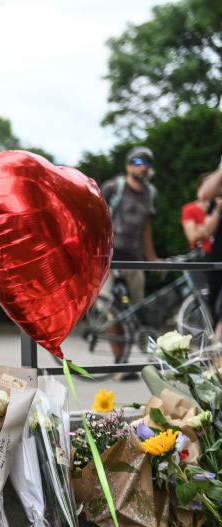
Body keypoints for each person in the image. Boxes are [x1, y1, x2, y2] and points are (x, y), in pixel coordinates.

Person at [100, 146, 159, 367]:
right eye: (137, 162)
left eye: (147, 163)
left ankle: (144, 354)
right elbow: (98, 219)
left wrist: (152, 259)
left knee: (137, 307)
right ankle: (119, 360)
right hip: (109, 258)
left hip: (134, 257)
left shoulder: (151, 194)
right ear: (127, 165)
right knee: (109, 311)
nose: (143, 167)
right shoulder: (114, 188)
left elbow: (146, 229)